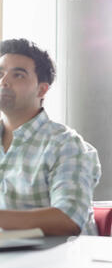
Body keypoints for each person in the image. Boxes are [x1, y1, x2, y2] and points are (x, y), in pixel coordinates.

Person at [0, 39, 101, 236]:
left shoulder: (66, 144)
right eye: (0, 73)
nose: (4, 81)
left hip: (56, 261)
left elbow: (68, 218)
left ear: (42, 89)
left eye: (18, 75)